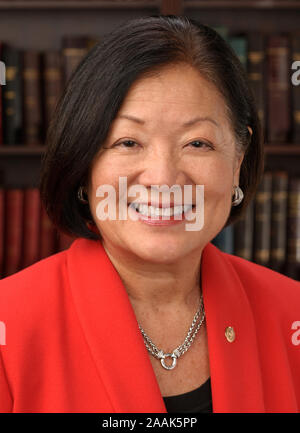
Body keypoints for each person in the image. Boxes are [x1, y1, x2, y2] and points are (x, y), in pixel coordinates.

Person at [0, 14, 300, 414]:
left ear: (238, 159)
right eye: (128, 141)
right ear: (83, 163)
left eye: (197, 143)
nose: (163, 179)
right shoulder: (9, 327)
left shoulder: (291, 315)